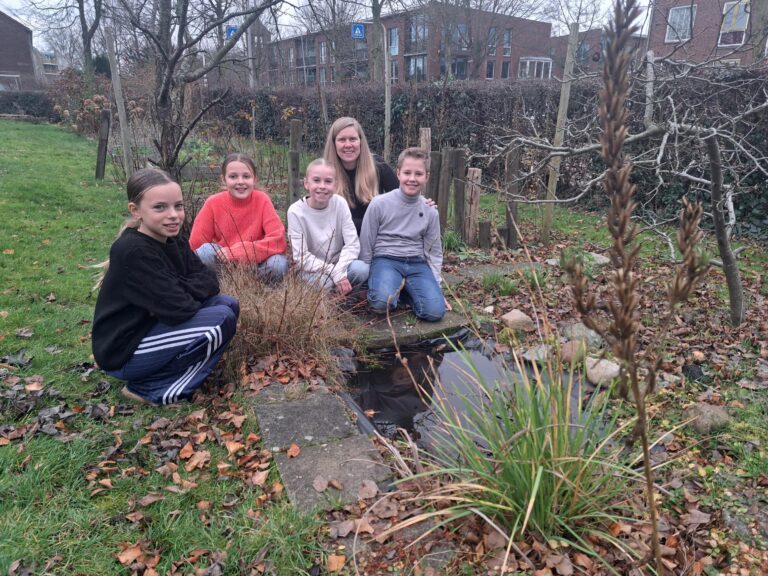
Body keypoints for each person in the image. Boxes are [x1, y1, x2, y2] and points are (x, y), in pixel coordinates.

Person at [92, 168, 240, 406]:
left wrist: (176, 286)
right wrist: (181, 290)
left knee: (228, 304)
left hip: (153, 329)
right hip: (124, 352)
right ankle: (150, 389)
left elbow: (211, 283)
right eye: (160, 207)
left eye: (178, 206)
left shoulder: (173, 240)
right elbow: (180, 308)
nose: (173, 215)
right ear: (136, 210)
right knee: (221, 317)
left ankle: (160, 377)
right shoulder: (133, 250)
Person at [359, 147, 449, 322]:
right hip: (386, 260)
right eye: (407, 173)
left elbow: (434, 252)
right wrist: (367, 277)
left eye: (418, 174)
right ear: (398, 173)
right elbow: (367, 241)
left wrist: (436, 286)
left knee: (435, 312)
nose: (412, 179)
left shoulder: (430, 211)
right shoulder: (380, 203)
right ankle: (394, 287)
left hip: (417, 263)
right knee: (381, 303)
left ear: (426, 177)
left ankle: (408, 291)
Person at [189, 153, 288, 283]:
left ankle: (257, 286)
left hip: (257, 265)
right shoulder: (213, 203)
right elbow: (196, 245)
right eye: (233, 176)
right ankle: (222, 284)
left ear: (254, 179)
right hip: (224, 265)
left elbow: (278, 240)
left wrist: (241, 251)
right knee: (205, 252)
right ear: (224, 179)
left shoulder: (262, 200)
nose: (240, 182)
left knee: (278, 264)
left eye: (246, 176)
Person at [287, 158, 369, 294]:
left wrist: (339, 270)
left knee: (361, 270)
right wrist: (334, 273)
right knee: (324, 283)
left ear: (335, 185)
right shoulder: (295, 211)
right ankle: (332, 298)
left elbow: (352, 244)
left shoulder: (340, 204)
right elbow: (301, 257)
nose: (322, 186)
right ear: (306, 183)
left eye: (328, 181)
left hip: (339, 264)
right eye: (316, 180)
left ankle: (346, 297)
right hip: (312, 269)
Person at [323, 117, 400, 235]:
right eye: (342, 140)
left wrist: (422, 204)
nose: (348, 145)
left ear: (361, 141)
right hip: (339, 239)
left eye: (353, 139)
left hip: (375, 237)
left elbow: (401, 196)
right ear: (333, 143)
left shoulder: (377, 165)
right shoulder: (324, 171)